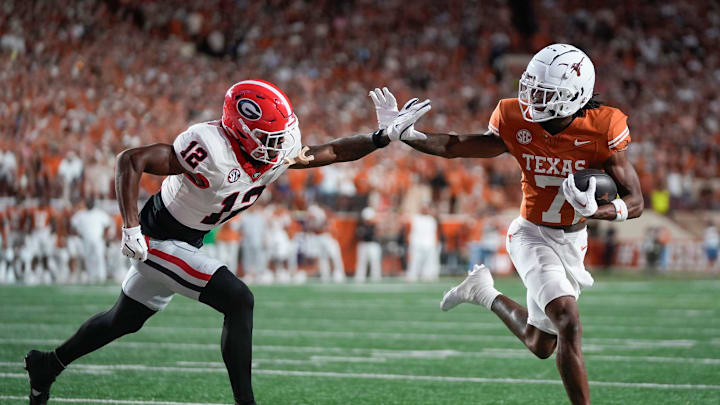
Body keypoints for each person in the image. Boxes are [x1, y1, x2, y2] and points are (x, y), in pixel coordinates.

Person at [23, 79, 431, 405]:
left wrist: (380, 137)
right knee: (239, 299)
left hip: (188, 239)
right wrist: (129, 227)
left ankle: (48, 365)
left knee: (123, 320)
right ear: (241, 131)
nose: (279, 146)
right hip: (158, 236)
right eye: (270, 137)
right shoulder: (209, 149)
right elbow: (131, 160)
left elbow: (330, 151)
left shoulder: (271, 150)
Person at [372, 44, 643, 405]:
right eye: (531, 87)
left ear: (575, 96)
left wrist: (598, 212)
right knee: (568, 320)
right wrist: (408, 136)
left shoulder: (604, 126)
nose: (533, 98)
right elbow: (457, 146)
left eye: (546, 93)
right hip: (530, 233)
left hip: (574, 239)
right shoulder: (514, 117)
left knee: (541, 344)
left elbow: (635, 200)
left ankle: (482, 291)